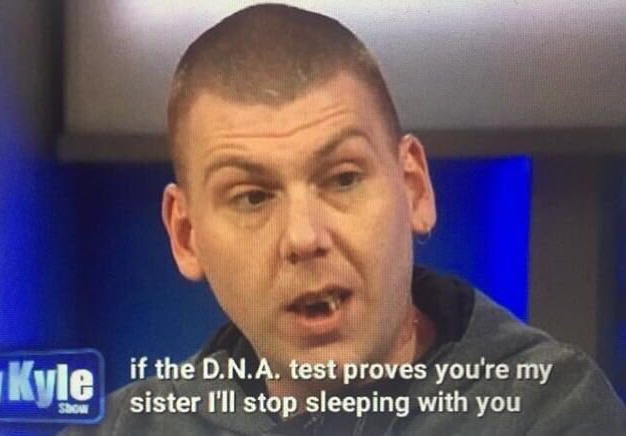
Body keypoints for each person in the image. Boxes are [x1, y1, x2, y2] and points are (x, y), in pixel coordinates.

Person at [64, 4, 626, 435]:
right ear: (187, 236)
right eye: (254, 198)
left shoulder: (552, 412)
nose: (304, 237)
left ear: (414, 188)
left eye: (343, 179)